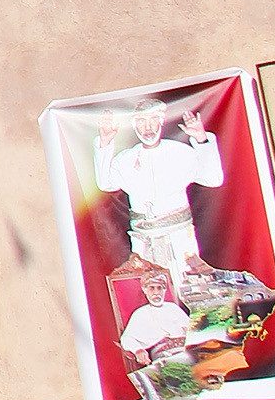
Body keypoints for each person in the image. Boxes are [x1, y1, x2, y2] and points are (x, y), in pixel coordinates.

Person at [94, 98, 224, 277]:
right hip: (145, 241)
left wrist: (201, 139)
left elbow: (213, 178)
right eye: (141, 121)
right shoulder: (126, 159)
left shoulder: (180, 152)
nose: (148, 128)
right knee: (154, 290)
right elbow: (105, 183)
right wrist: (105, 143)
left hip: (180, 239)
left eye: (153, 119)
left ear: (161, 120)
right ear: (133, 124)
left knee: (189, 286)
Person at [117, 269, 193, 362]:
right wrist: (138, 350)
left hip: (186, 349)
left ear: (164, 290)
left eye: (159, 288)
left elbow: (191, 329)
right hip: (164, 355)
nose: (156, 292)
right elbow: (126, 338)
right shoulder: (140, 313)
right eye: (152, 288)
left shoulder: (173, 307)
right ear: (145, 290)